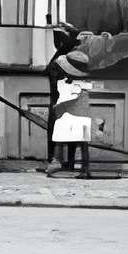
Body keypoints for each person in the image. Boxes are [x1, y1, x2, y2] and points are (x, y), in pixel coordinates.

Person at [42, 20, 81, 171]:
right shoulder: (65, 56)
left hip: (63, 99)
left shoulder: (68, 56)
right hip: (61, 99)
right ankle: (61, 160)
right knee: (61, 130)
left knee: (62, 129)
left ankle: (58, 160)